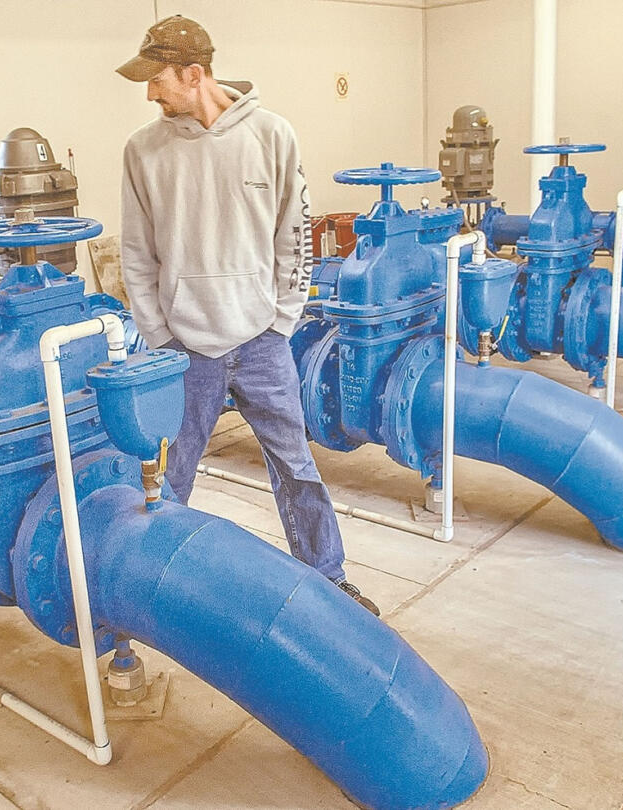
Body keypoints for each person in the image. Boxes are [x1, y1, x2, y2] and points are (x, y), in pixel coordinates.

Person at [116, 15, 379, 616]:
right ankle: (151, 588)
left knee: (295, 463)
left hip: (263, 341)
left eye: (157, 80)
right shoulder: (143, 150)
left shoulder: (273, 135)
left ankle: (328, 577)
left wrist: (282, 320)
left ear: (194, 73)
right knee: (170, 471)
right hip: (183, 348)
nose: (150, 94)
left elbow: (297, 237)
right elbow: (136, 254)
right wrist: (159, 336)